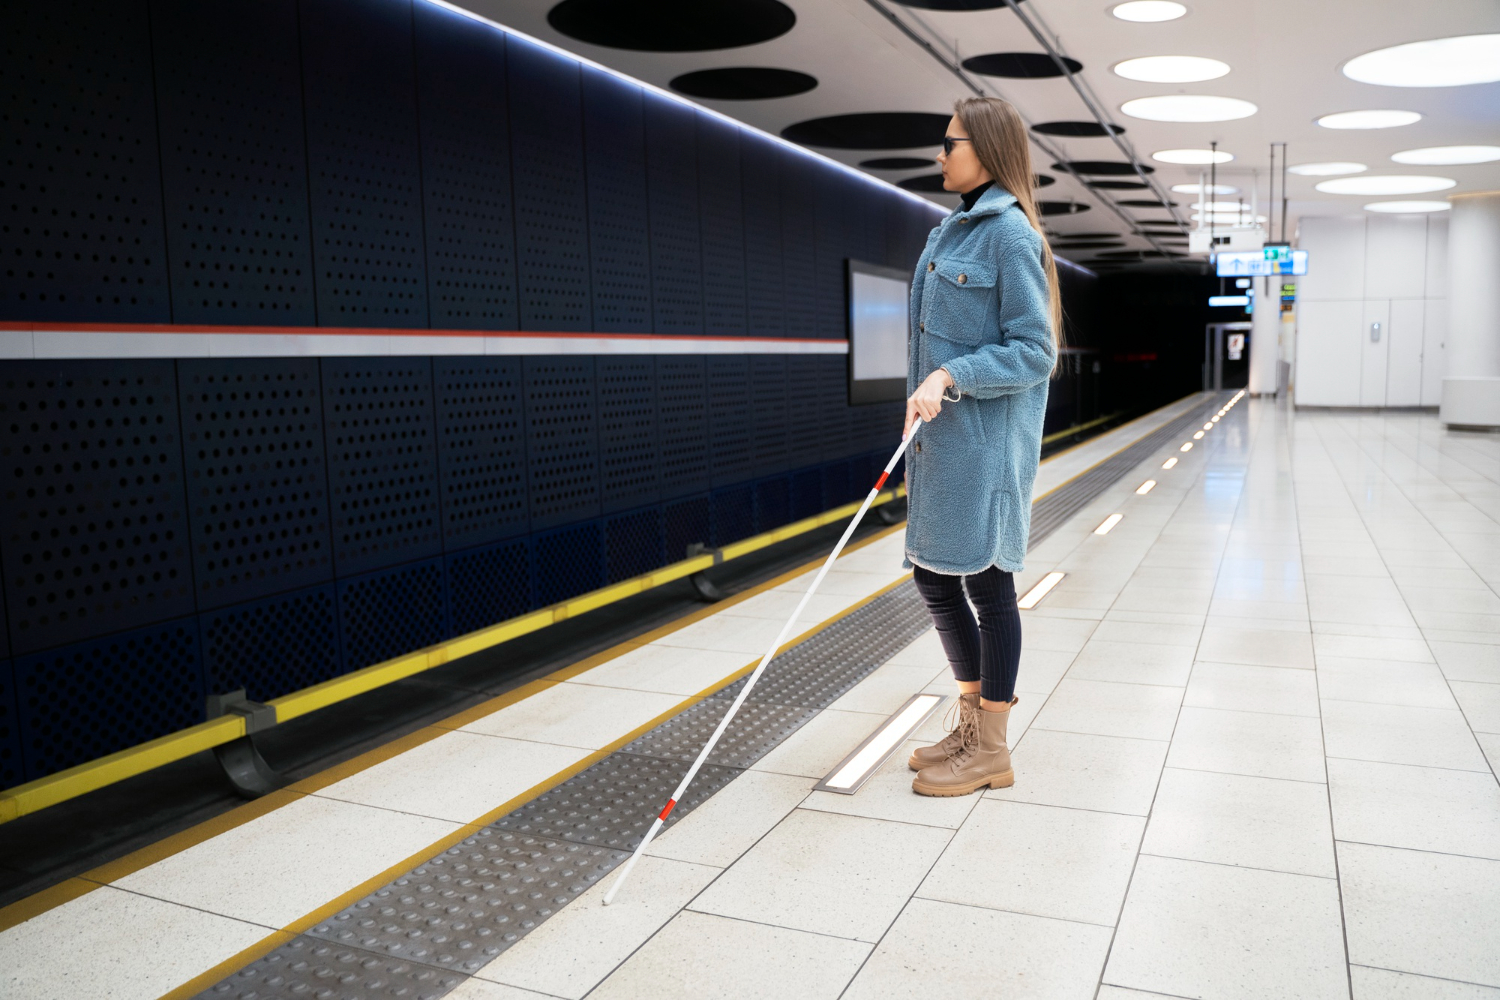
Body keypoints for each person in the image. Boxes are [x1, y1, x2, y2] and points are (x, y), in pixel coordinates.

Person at [903, 97, 1061, 797]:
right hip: (941, 444)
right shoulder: (945, 236)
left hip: (986, 449)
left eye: (950, 143)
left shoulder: (1010, 237)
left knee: (989, 585)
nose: (941, 155)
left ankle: (991, 746)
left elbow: (1035, 351)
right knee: (933, 574)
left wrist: (951, 374)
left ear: (987, 150)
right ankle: (970, 722)